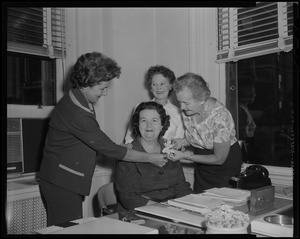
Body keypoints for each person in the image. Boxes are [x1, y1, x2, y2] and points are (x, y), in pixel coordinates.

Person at [38, 52, 168, 226]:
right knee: (65, 230)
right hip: (61, 181)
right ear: (86, 85)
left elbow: (88, 142)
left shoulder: (78, 98)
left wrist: (117, 148)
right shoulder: (77, 113)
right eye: (102, 88)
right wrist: (151, 158)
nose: (105, 93)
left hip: (62, 177)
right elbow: (109, 149)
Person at [168, 72, 243, 193]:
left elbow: (219, 159)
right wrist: (182, 142)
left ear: (202, 99)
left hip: (224, 166)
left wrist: (185, 156)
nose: (181, 107)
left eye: (186, 103)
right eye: (179, 102)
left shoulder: (220, 117)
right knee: (200, 201)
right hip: (202, 163)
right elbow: (201, 136)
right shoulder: (189, 110)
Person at [116, 101, 193, 211]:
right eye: (143, 120)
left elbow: (181, 187)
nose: (149, 125)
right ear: (137, 125)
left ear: (162, 125)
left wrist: (193, 207)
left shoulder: (171, 149)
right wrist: (163, 209)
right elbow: (128, 197)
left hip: (171, 210)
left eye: (154, 120)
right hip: (139, 212)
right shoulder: (128, 153)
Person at [124, 65, 184, 144]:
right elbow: (130, 138)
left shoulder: (179, 113)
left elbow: (178, 142)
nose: (158, 88)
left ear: (170, 86)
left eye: (162, 83)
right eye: (154, 84)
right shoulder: (140, 108)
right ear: (151, 88)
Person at [238, 79, 256, 163]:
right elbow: (241, 133)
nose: (255, 95)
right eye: (253, 92)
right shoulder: (240, 111)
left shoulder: (244, 108)